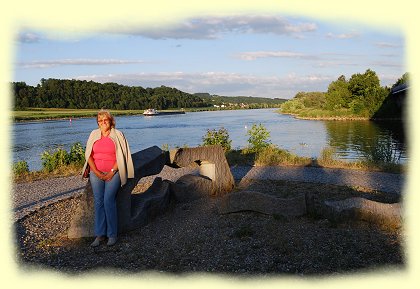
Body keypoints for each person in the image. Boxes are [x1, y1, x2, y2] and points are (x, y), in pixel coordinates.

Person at [81, 109, 134, 247]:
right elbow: (89, 155)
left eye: (105, 120)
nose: (103, 123)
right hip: (96, 172)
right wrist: (96, 172)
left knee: (108, 200)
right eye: (100, 120)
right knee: (98, 202)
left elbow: (121, 156)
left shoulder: (118, 134)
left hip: (114, 172)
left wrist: (111, 172)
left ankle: (112, 235)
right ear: (97, 122)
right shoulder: (94, 134)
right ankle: (99, 235)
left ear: (111, 121)